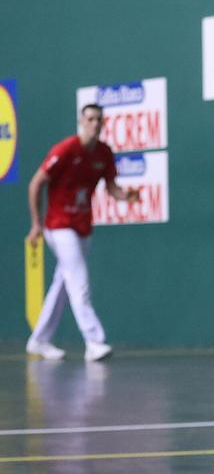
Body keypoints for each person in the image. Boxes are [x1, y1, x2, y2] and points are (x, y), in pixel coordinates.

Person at [26, 103, 138, 362]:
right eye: (90, 119)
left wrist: (127, 196)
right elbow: (36, 183)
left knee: (63, 283)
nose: (95, 123)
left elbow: (112, 188)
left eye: (99, 119)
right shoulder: (65, 150)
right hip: (58, 225)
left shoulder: (104, 153)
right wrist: (36, 223)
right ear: (81, 121)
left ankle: (39, 340)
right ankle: (94, 341)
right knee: (79, 279)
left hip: (83, 226)